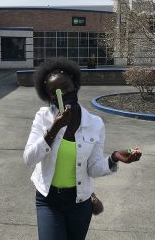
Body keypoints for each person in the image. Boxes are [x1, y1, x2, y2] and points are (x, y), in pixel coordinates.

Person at [23, 57, 142, 240]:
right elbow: (29, 158)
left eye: (65, 87)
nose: (61, 94)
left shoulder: (95, 124)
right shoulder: (43, 118)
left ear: (75, 84)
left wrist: (114, 158)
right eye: (54, 92)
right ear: (49, 96)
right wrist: (53, 129)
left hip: (79, 202)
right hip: (49, 200)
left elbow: (92, 169)